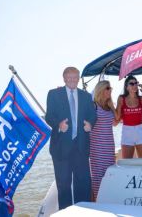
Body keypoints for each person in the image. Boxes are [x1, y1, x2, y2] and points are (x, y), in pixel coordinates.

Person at [45, 66, 96, 210]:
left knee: (83, 183)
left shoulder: (86, 96)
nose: (73, 80)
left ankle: (83, 211)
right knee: (64, 185)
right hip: (61, 148)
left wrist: (90, 124)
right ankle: (66, 213)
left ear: (79, 79)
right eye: (70, 77)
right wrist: (58, 124)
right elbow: (49, 116)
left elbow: (93, 115)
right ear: (64, 78)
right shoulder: (54, 94)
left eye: (75, 77)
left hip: (81, 147)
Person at [89, 80, 119, 201]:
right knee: (97, 177)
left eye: (110, 88)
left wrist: (112, 105)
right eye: (108, 88)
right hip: (96, 148)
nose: (110, 90)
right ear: (101, 90)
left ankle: (106, 201)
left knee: (109, 175)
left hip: (108, 146)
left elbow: (116, 121)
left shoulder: (109, 106)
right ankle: (96, 204)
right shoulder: (93, 106)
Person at [116, 75, 142, 159]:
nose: (134, 85)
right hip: (127, 131)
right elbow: (117, 116)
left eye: (136, 83)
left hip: (140, 131)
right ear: (126, 87)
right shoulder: (121, 99)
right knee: (127, 163)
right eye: (131, 83)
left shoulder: (141, 99)